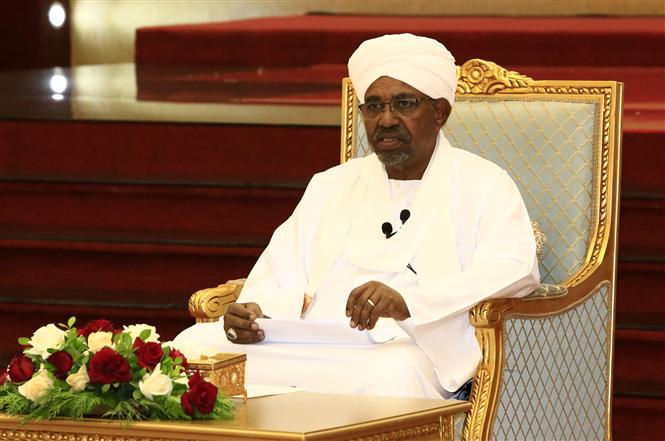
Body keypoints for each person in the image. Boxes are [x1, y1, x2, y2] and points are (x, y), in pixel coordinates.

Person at [174, 33, 540, 399]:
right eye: (374, 106)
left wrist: (408, 302)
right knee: (190, 347)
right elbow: (279, 272)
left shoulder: (483, 183)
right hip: (310, 342)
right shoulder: (331, 184)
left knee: (390, 377)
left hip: (406, 346)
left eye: (403, 104)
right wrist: (255, 313)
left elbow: (516, 269)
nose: (386, 120)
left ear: (439, 113)